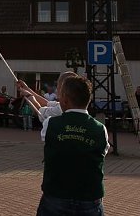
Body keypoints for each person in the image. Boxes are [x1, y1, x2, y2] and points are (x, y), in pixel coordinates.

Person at [37, 75, 109, 216]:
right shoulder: (101, 129)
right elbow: (102, 152)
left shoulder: (50, 124)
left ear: (64, 99)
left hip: (56, 196)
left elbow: (47, 138)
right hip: (89, 199)